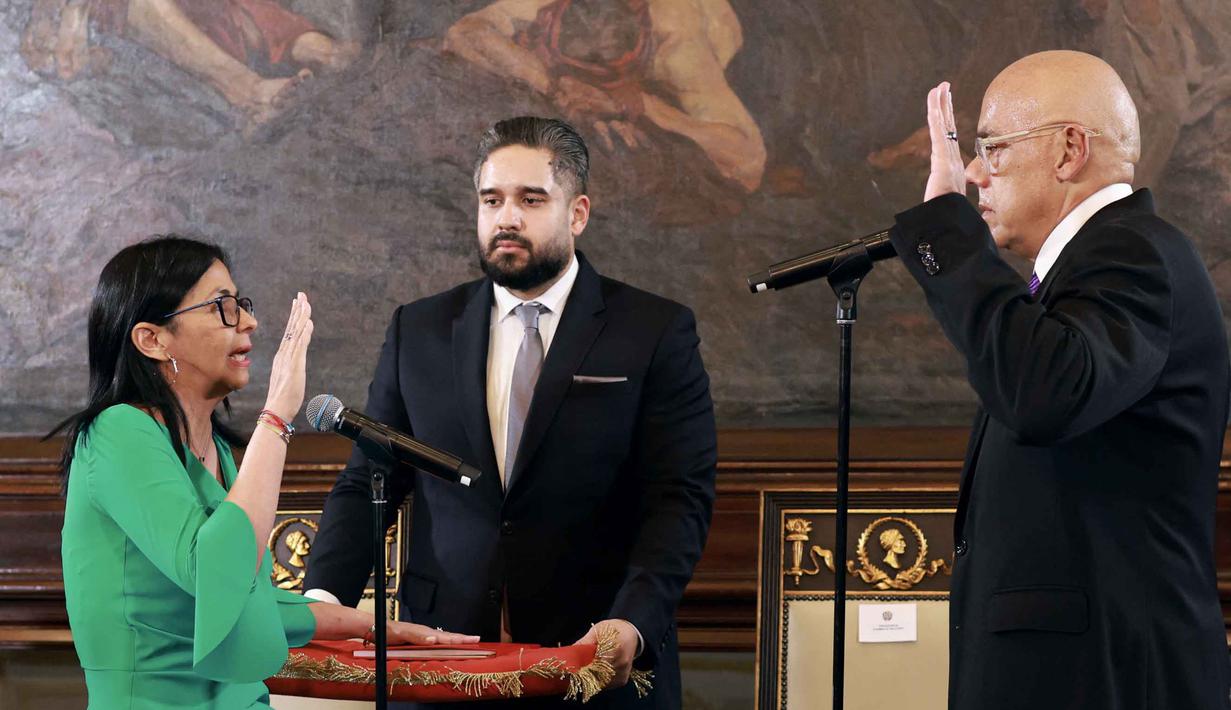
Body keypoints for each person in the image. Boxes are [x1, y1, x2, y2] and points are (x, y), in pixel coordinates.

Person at [304, 116, 718, 709]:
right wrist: (322, 601)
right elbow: (368, 481)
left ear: (577, 214)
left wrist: (632, 622)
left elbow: (679, 498)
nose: (507, 218)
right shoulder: (419, 330)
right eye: (492, 200)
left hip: (594, 662)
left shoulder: (653, 331)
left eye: (531, 199)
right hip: (441, 662)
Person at [887, 50, 1231, 708]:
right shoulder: (1090, 266)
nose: (972, 173)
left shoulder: (1132, 251)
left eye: (992, 147)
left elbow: (1041, 392)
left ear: (1068, 150)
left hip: (1101, 675)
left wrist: (947, 233)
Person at [55, 235, 477, 709]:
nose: (250, 322)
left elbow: (247, 602)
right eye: (223, 307)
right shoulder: (117, 433)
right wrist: (277, 415)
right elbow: (214, 572)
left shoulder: (217, 450)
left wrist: (379, 627)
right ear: (152, 339)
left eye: (241, 304)